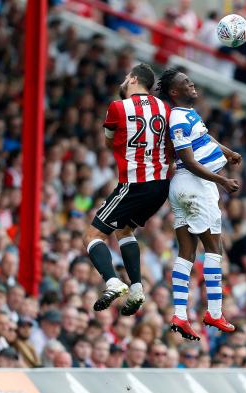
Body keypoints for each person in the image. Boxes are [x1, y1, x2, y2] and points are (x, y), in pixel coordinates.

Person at [157, 69, 241, 340]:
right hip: (194, 185)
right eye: (186, 83)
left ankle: (180, 315)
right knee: (214, 250)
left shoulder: (187, 114)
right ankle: (214, 311)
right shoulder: (178, 118)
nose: (192, 85)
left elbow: (204, 138)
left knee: (186, 253)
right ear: (174, 92)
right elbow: (189, 160)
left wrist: (226, 151)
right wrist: (222, 180)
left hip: (184, 188)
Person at [83, 64, 171, 316]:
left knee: (92, 236)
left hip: (134, 183)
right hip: (160, 186)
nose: (123, 81)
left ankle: (112, 281)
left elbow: (109, 141)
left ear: (133, 79)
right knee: (124, 230)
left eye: (125, 77)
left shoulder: (117, 107)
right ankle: (136, 287)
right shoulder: (163, 108)